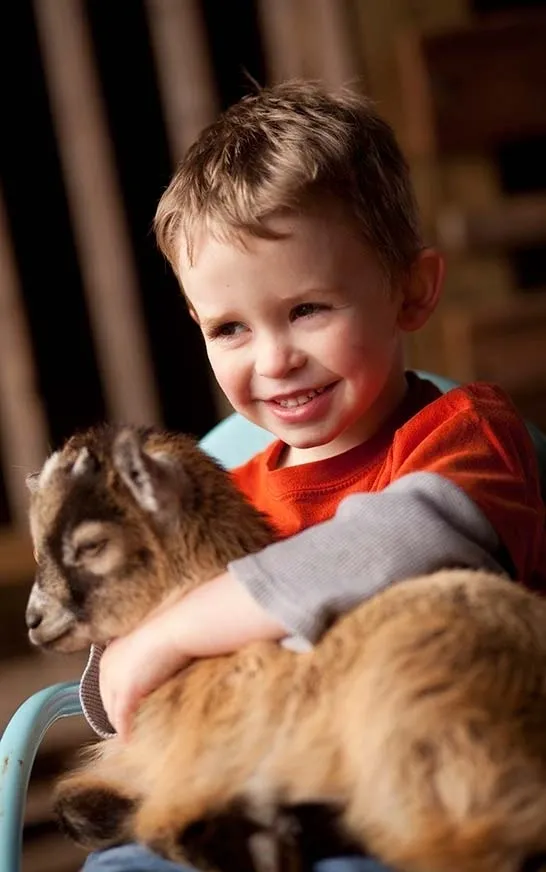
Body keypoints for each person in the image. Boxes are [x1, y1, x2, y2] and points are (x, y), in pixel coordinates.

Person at [80, 80, 546, 872]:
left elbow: (403, 546)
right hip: (277, 782)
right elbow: (119, 680)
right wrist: (126, 653)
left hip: (439, 775)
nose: (274, 359)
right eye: (230, 328)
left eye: (308, 311)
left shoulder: (465, 438)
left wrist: (178, 631)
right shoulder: (228, 495)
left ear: (412, 290)